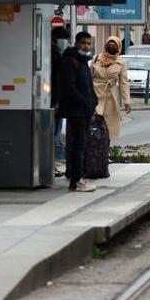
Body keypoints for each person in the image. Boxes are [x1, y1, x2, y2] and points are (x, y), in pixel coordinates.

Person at [58, 32, 98, 192]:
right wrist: (84, 102)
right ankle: (76, 180)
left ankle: (78, 179)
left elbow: (88, 86)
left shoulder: (83, 62)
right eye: (83, 43)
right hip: (76, 111)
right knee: (78, 145)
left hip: (85, 110)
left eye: (88, 43)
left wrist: (93, 101)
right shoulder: (70, 61)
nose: (86, 46)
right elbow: (69, 87)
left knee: (81, 144)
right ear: (76, 43)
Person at [91, 36, 131, 141]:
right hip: (95, 94)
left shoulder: (121, 63)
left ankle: (105, 150)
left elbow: (124, 83)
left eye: (114, 45)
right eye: (110, 44)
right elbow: (88, 76)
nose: (111, 46)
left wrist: (127, 101)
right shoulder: (96, 59)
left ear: (118, 47)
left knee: (108, 126)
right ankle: (93, 150)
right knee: (94, 124)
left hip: (110, 97)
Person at [51, 26, 70, 177]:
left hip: (57, 100)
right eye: (64, 39)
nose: (65, 42)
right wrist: (57, 100)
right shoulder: (54, 56)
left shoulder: (57, 54)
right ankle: (50, 165)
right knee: (53, 133)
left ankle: (51, 165)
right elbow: (56, 81)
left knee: (55, 133)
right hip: (53, 101)